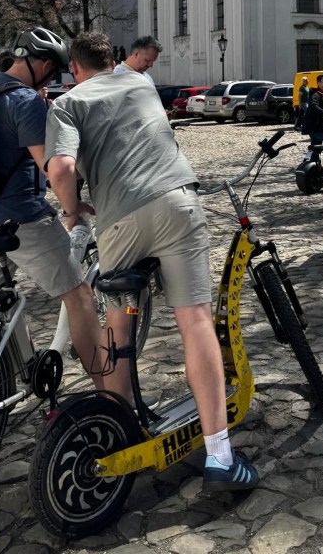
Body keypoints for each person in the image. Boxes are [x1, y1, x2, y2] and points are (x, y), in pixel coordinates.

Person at [45, 32, 258, 492]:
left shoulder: (68, 102)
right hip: (175, 202)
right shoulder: (141, 83)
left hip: (119, 220)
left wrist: (72, 209)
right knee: (196, 322)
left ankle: (119, 434)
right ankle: (219, 455)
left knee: (118, 328)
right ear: (112, 60)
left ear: (75, 69)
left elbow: (59, 169)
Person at [0, 27, 103, 379]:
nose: (52, 75)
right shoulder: (25, 102)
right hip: (22, 219)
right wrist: (72, 210)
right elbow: (55, 169)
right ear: (42, 64)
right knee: (80, 296)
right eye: (53, 69)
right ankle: (110, 392)